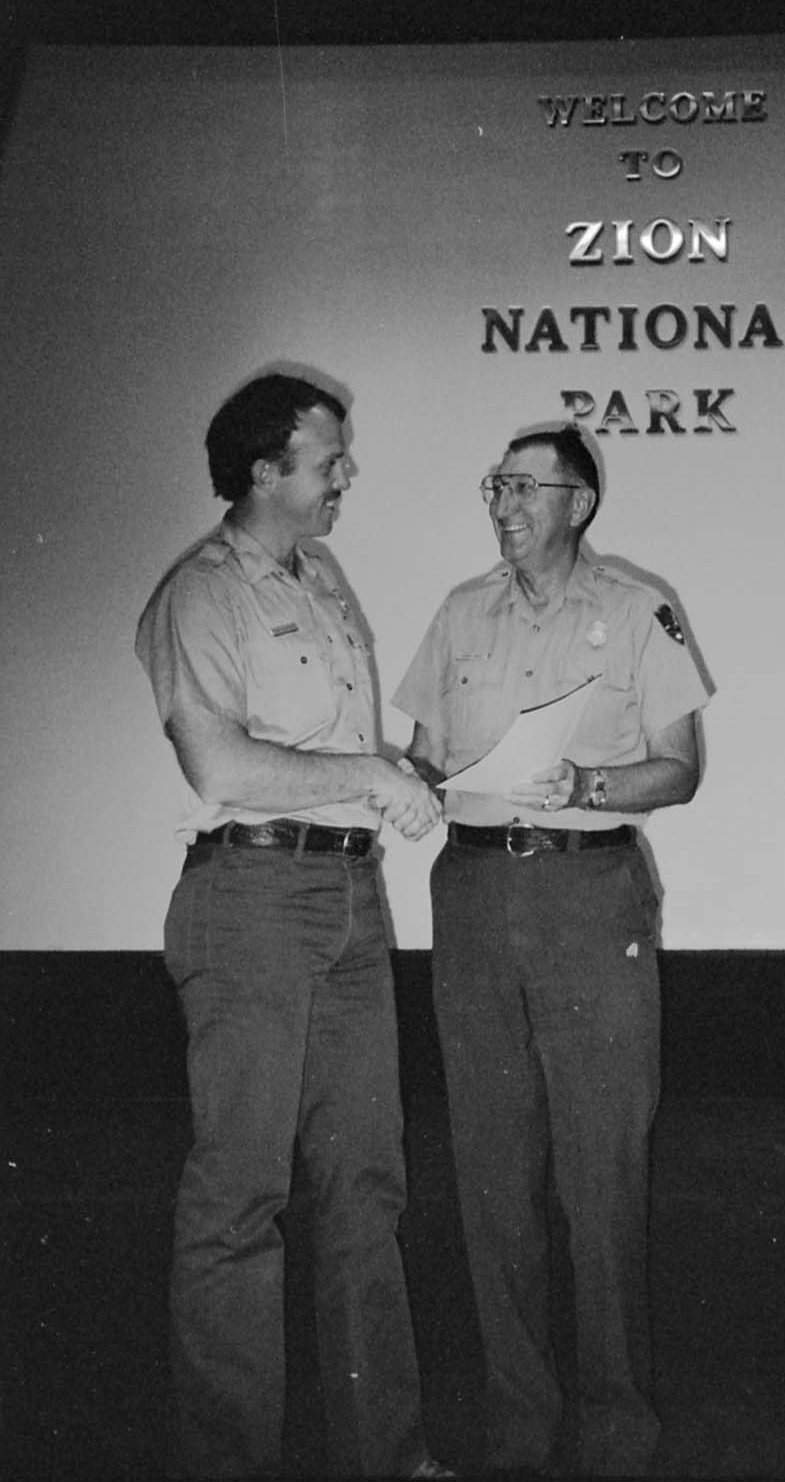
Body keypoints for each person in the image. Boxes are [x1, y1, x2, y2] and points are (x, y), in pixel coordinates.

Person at [135, 372, 452, 1480]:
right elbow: (219, 763)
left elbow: (329, 751)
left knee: (368, 1185)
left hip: (351, 901)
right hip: (252, 903)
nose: (346, 474)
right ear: (264, 471)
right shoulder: (200, 597)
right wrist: (369, 768)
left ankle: (388, 1455)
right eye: (329, 458)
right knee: (242, 1196)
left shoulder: (319, 578)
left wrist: (398, 774)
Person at [393, 424, 711, 1477]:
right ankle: (518, 1422)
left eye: (527, 488)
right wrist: (396, 783)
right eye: (496, 485)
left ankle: (616, 1425)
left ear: (580, 503)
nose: (505, 503)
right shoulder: (457, 613)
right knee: (491, 1170)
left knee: (600, 1171)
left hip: (588, 897)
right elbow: (426, 755)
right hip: (476, 897)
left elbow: (678, 768)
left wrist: (585, 787)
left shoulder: (635, 609)